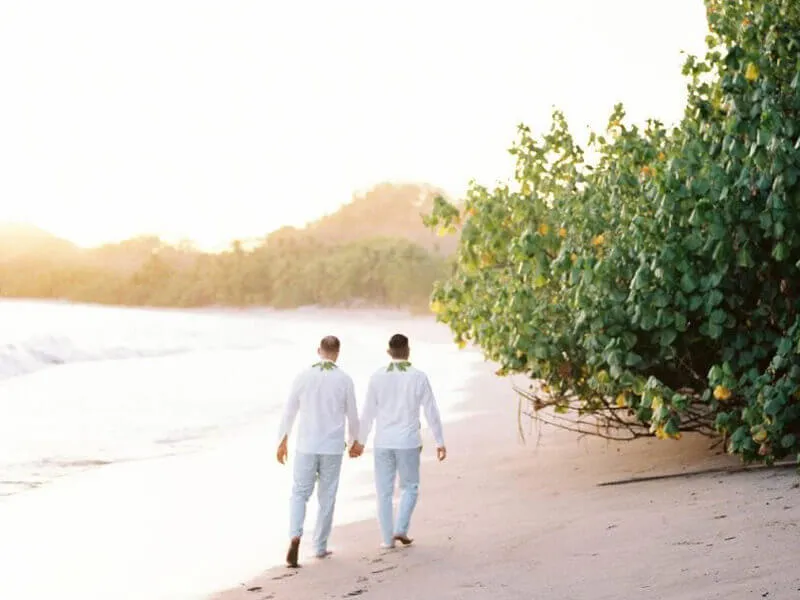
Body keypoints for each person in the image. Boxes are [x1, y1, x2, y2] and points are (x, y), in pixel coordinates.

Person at [350, 333, 446, 549]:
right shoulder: (418, 376)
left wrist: (360, 441)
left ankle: (387, 540)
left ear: (388, 352)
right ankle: (400, 528)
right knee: (410, 486)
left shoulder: (377, 376)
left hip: (383, 441)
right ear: (408, 351)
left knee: (383, 492)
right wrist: (439, 441)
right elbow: (431, 411)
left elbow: (367, 413)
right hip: (408, 441)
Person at [276, 335, 359, 568]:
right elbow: (352, 414)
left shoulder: (303, 376)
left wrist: (282, 440)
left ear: (318, 350)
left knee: (300, 493)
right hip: (332, 447)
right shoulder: (344, 379)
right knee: (327, 496)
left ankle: (295, 535)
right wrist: (355, 441)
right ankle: (320, 546)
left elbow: (289, 411)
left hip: (306, 446)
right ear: (338, 353)